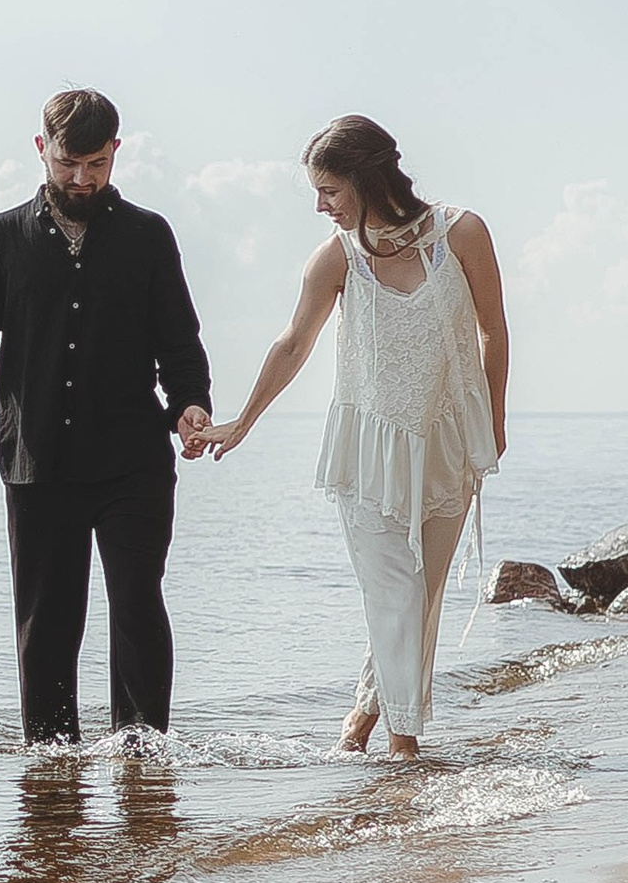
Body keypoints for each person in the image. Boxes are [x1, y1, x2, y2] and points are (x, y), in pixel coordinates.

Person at [188, 116, 506, 758]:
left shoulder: (463, 233)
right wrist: (242, 422)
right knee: (395, 591)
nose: (320, 205)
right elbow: (292, 343)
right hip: (367, 450)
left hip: (449, 441)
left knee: (422, 594)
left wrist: (493, 422)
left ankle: (363, 712)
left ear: (365, 179)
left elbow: (493, 330)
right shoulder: (335, 259)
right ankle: (404, 749)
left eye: (328, 189)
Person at [0, 90, 213, 746]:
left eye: (97, 165)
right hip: (37, 462)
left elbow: (180, 343)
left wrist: (192, 404)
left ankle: (141, 755)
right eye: (71, 163)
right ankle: (51, 764)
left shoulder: (147, 236)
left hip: (132, 461)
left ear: (116, 154)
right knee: (46, 623)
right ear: (42, 149)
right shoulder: (1, 238)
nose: (83, 179)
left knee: (136, 605)